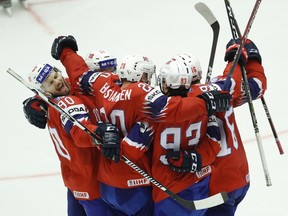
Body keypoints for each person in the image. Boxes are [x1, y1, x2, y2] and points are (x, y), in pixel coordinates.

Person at [49, 35, 231, 215]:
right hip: (135, 185)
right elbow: (170, 108)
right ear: (141, 75)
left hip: (105, 185)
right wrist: (205, 103)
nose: (149, 81)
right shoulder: (140, 93)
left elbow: (79, 74)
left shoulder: (102, 83)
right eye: (147, 76)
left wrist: (66, 51)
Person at [179, 38, 266, 216]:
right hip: (241, 178)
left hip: (217, 188)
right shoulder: (222, 91)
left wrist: (235, 61)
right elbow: (257, 86)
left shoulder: (185, 101)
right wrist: (249, 59)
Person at [24, 63, 122, 216]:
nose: (57, 81)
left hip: (75, 181)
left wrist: (33, 100)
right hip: (92, 182)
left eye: (56, 76)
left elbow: (72, 82)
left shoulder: (49, 103)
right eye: (50, 83)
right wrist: (100, 132)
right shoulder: (67, 103)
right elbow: (79, 132)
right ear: (44, 92)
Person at [150, 54, 223, 216]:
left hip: (167, 189)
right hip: (200, 185)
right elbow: (215, 141)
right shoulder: (202, 107)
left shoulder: (157, 112)